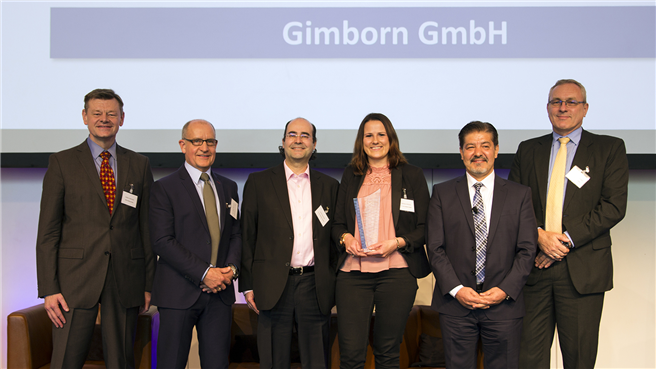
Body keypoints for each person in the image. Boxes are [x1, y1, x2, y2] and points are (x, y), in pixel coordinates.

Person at [509, 79, 629, 368]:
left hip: (582, 269)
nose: (563, 108)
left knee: (579, 359)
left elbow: (613, 206)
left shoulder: (609, 148)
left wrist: (562, 241)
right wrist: (539, 237)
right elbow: (513, 205)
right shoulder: (528, 150)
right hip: (534, 269)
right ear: (548, 108)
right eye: (556, 102)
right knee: (528, 358)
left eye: (571, 102)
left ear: (585, 108)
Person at [36, 88, 155, 368]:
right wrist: (48, 288)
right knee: (67, 360)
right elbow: (48, 232)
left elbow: (146, 230)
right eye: (97, 113)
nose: (105, 119)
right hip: (73, 282)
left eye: (111, 114)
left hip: (125, 278)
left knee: (121, 361)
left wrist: (148, 285)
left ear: (122, 119)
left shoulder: (139, 164)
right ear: (84, 117)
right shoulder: (61, 162)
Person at [426, 121, 537, 369]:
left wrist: (504, 290)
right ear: (461, 152)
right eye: (470, 147)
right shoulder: (442, 193)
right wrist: (457, 289)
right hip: (456, 305)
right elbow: (435, 247)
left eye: (485, 146)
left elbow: (527, 250)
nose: (478, 153)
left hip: (504, 305)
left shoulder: (520, 195)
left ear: (496, 150)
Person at [331, 113, 431, 369]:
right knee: (351, 354)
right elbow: (338, 224)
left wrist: (397, 242)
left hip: (396, 273)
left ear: (391, 139)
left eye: (381, 134)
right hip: (353, 274)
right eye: (368, 135)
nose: (375, 140)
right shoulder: (350, 175)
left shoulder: (413, 175)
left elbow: (425, 228)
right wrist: (346, 238)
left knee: (387, 352)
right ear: (361, 141)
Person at [240, 117, 339, 368]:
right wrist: (248, 284)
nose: (298, 140)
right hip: (273, 287)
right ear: (283, 142)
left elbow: (336, 240)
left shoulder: (329, 186)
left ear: (314, 144)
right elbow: (247, 236)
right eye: (292, 134)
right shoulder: (258, 182)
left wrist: (333, 283)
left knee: (317, 361)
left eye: (305, 135)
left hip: (315, 286)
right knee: (274, 360)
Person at [149, 119, 242, 368]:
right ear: (183, 145)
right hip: (178, 294)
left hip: (219, 295)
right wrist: (204, 273)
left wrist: (229, 272)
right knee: (171, 363)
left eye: (209, 141)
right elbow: (161, 241)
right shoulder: (163, 188)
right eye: (197, 141)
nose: (204, 147)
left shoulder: (229, 187)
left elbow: (235, 235)